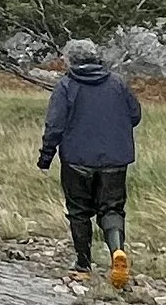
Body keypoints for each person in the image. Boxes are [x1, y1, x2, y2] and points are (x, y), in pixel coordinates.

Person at [37, 37, 142, 289]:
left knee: (79, 211)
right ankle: (117, 252)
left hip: (77, 161)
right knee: (112, 209)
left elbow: (55, 126)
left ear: (70, 60)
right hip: (115, 160)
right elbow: (135, 115)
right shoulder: (117, 82)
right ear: (95, 57)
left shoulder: (65, 87)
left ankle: (83, 266)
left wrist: (46, 157)